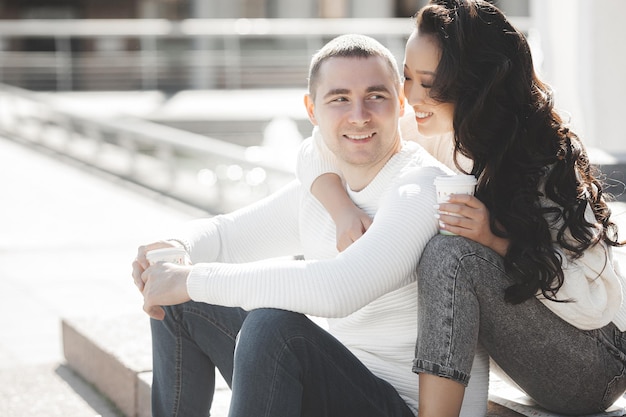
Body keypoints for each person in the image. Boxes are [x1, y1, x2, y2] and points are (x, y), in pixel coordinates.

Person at [131, 33, 488, 417]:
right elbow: (224, 236)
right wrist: (173, 249)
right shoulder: (321, 189)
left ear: (400, 102)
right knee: (180, 301)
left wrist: (190, 279)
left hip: (403, 407)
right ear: (312, 110)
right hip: (334, 387)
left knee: (272, 328)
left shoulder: (421, 186)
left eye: (376, 96)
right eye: (339, 99)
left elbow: (341, 287)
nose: (358, 115)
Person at [308, 1, 626, 416]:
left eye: (430, 82)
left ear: (473, 84)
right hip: (528, 363)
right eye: (407, 78)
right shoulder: (431, 129)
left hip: (595, 364)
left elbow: (595, 304)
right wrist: (341, 209)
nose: (412, 97)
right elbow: (320, 143)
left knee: (451, 254)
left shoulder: (542, 158)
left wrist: (495, 240)